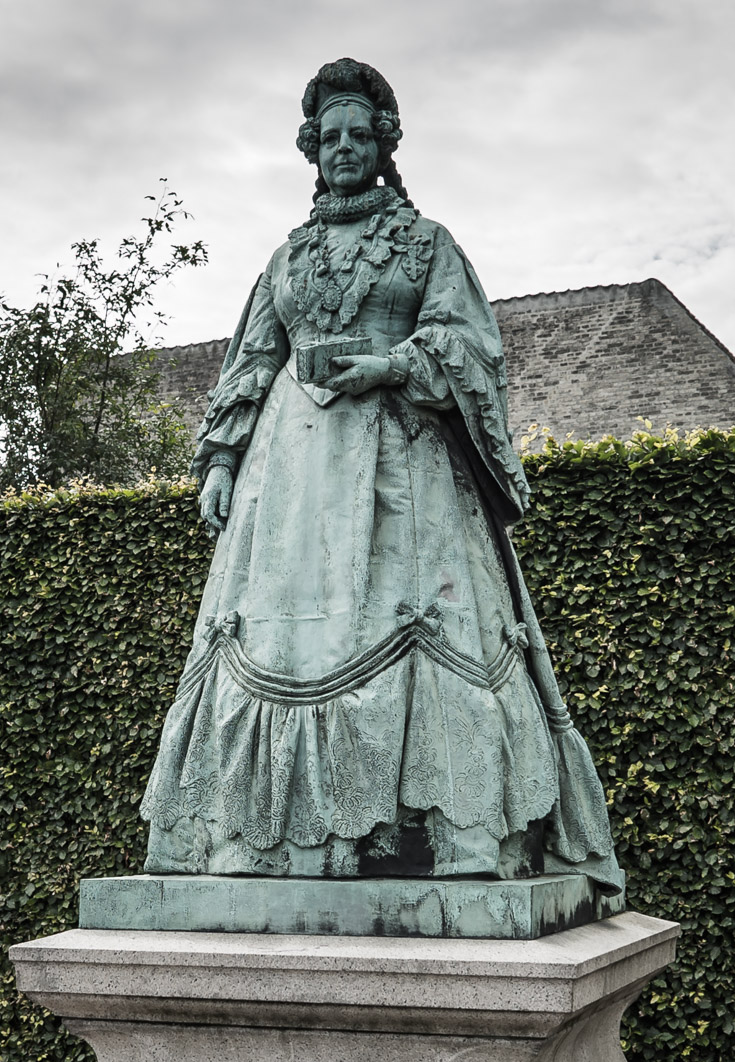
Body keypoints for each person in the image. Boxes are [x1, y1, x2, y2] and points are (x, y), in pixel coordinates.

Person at [141, 57, 623, 892]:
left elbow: (470, 344)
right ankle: (272, 842)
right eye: (329, 136)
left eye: (359, 134)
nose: (344, 147)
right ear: (311, 147)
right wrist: (219, 461)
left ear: (383, 144)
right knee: (283, 641)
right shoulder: (286, 258)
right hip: (289, 482)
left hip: (405, 467)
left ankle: (448, 833)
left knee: (422, 628)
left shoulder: (428, 243)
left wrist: (392, 364)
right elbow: (251, 362)